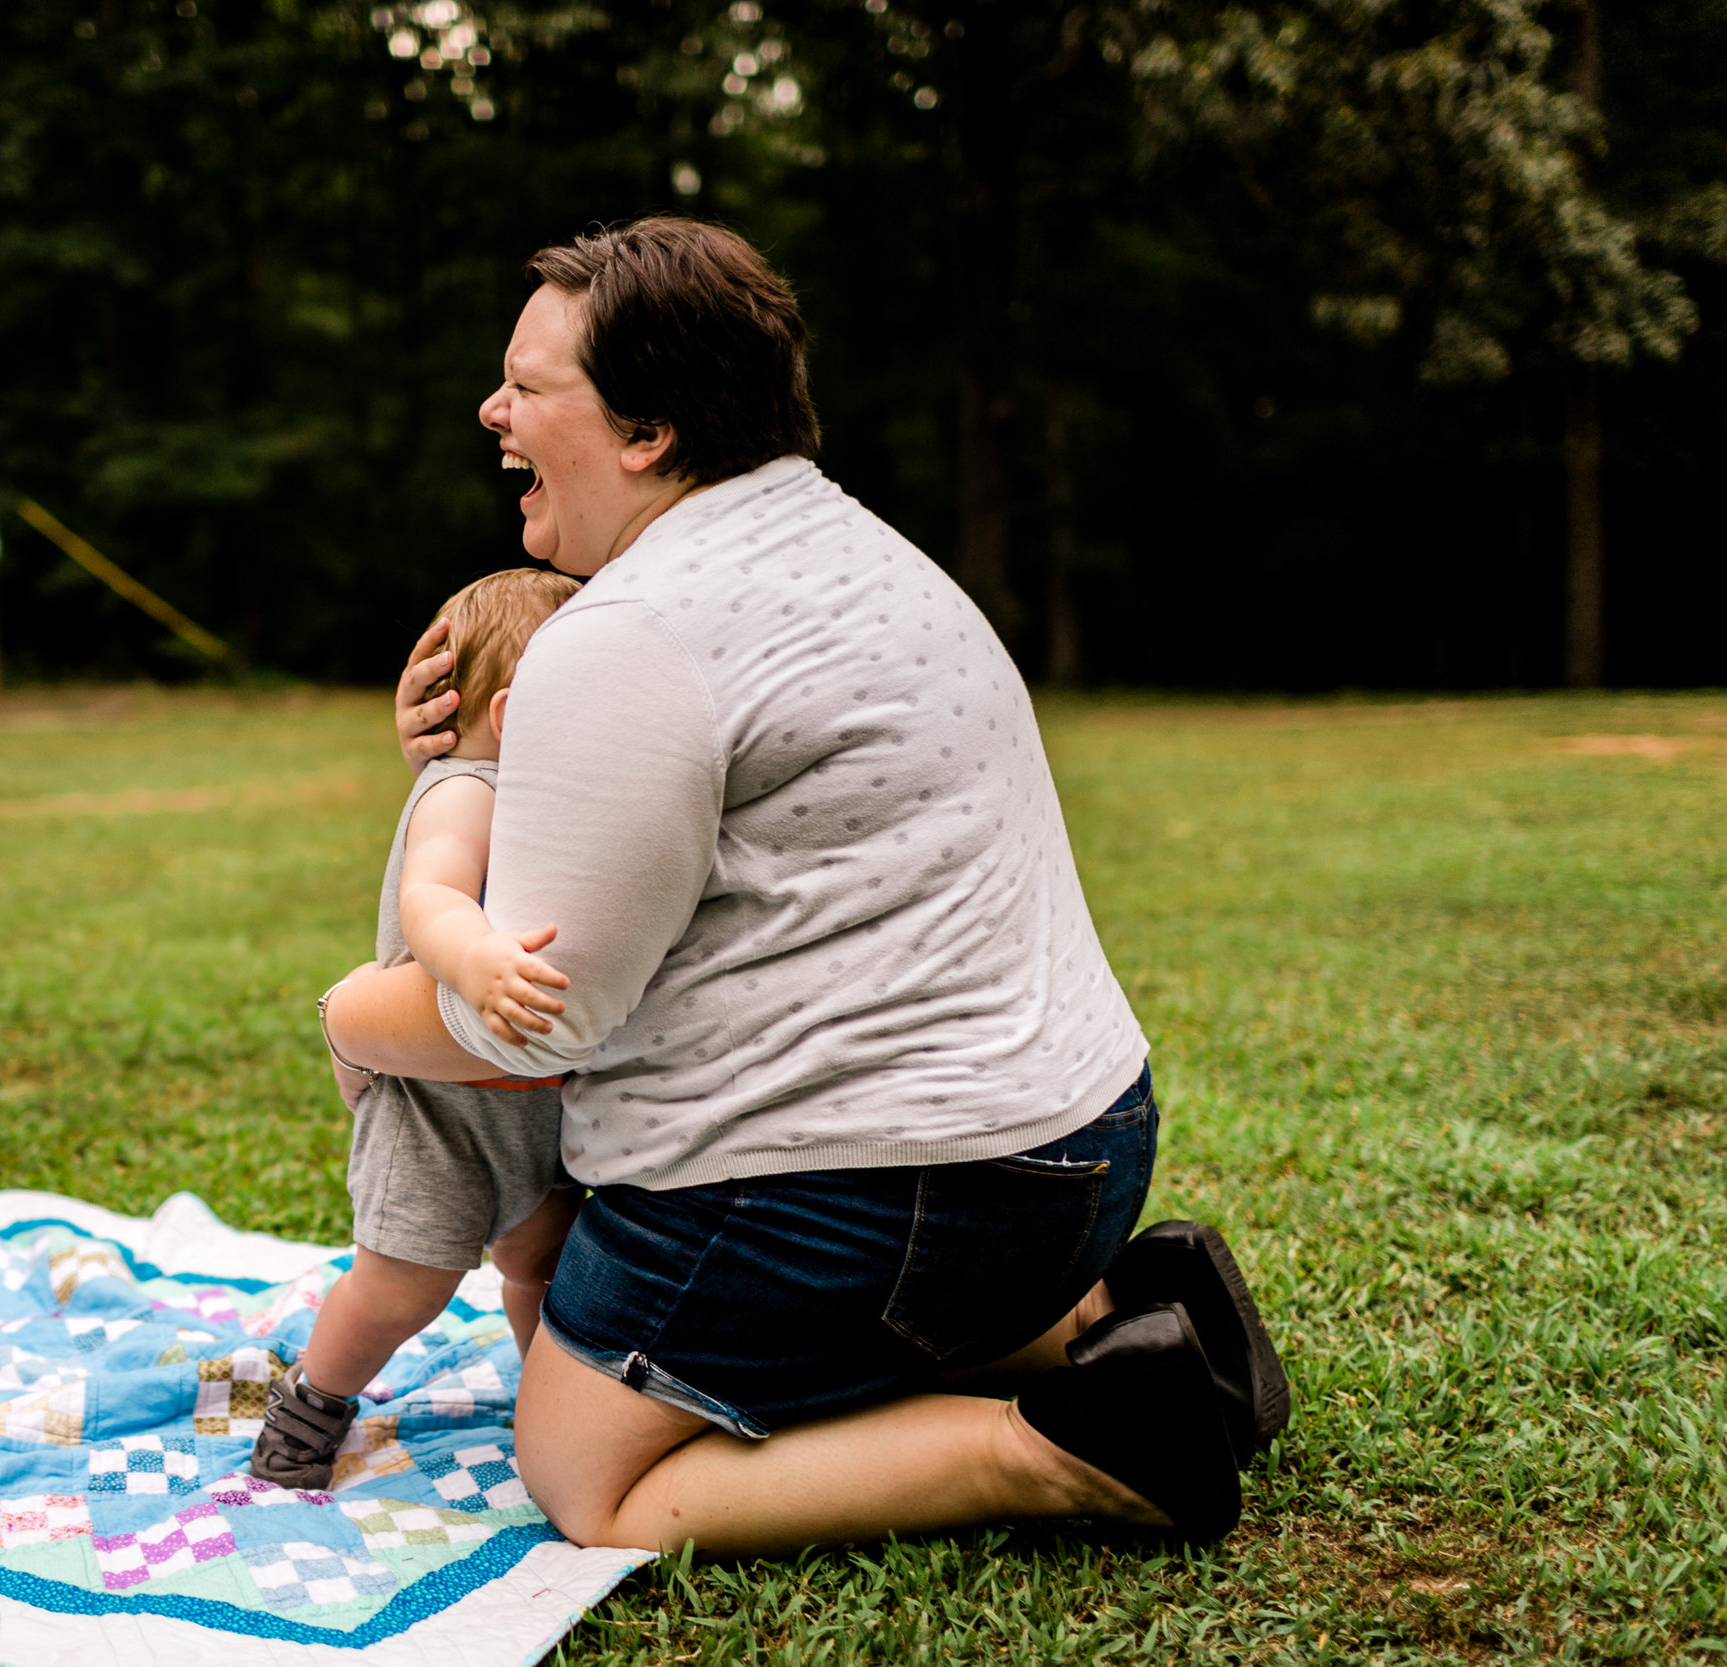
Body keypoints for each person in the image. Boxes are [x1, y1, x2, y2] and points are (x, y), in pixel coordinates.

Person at [326, 218, 1292, 1554]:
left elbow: (535, 1024)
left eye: (528, 385)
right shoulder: (852, 554)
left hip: (888, 1192)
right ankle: (1102, 1311)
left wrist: (352, 1016)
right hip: (1080, 1148)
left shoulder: (632, 632)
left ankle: (1084, 1442)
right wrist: (487, 751)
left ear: (649, 428)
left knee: (582, 1473)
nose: (492, 410)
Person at [252, 568, 586, 1489]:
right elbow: (432, 892)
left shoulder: (542, 803)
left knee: (542, 1260)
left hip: (531, 1115)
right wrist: (476, 958)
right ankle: (313, 1403)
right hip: (437, 1115)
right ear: (518, 716)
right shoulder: (463, 790)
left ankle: (552, 1395)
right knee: (403, 1285)